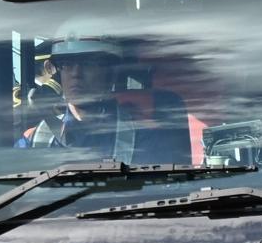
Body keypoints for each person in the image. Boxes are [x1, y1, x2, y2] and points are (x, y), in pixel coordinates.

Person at [18, 22, 189, 162]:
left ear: (112, 72)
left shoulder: (146, 137)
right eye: (67, 63)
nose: (76, 73)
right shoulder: (35, 140)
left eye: (88, 63)